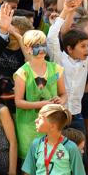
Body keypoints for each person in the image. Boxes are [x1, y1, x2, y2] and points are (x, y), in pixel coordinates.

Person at [14, 29, 67, 160]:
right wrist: (42, 104)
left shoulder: (55, 69)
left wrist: (61, 101)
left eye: (43, 45)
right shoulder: (23, 73)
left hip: (52, 123)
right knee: (31, 160)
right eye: (36, 46)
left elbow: (64, 93)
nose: (42, 49)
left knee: (52, 158)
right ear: (27, 49)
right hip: (29, 125)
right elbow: (18, 102)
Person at [47, 0, 88, 131]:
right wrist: (65, 11)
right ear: (69, 48)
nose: (87, 49)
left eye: (87, 45)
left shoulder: (87, 62)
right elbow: (51, 38)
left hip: (77, 116)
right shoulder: (58, 59)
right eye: (83, 46)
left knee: (80, 151)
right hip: (58, 115)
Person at [22, 104, 86, 175]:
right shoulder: (36, 144)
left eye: (40, 118)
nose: (36, 120)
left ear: (52, 126)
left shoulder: (71, 147)